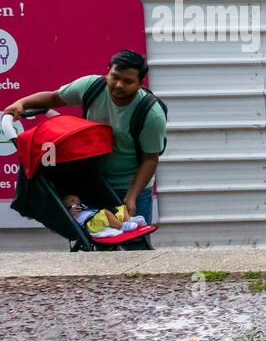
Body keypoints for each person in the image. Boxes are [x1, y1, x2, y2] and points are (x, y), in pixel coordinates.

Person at [3, 50, 166, 225]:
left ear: (140, 83)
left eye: (127, 81)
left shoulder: (150, 113)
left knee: (135, 244)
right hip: (93, 181)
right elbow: (54, 97)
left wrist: (132, 196)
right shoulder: (92, 87)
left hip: (130, 184)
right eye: (114, 77)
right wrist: (22, 103)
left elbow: (150, 159)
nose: (118, 85)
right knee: (93, 233)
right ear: (107, 72)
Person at [63, 194, 148, 239]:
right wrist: (70, 212)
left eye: (75, 198)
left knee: (121, 208)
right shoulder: (71, 213)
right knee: (105, 213)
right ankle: (121, 226)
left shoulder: (85, 207)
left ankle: (128, 219)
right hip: (91, 224)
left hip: (98, 218)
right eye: (71, 200)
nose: (75, 200)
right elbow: (69, 220)